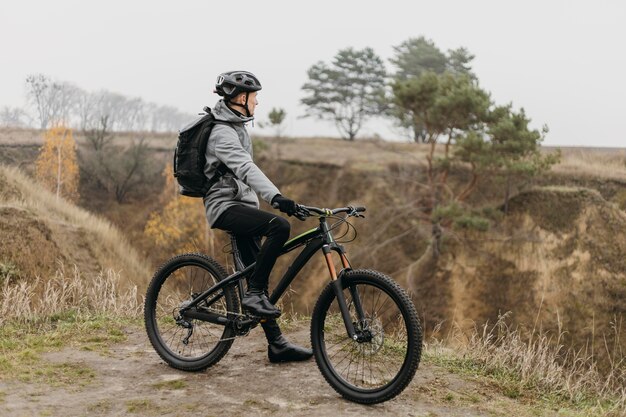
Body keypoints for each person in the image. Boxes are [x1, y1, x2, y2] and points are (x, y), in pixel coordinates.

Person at [203, 70, 313, 363]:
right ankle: (253, 294)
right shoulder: (222, 132)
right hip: (224, 207)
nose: (257, 103)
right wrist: (276, 198)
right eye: (255, 97)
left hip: (242, 206)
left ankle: (276, 344)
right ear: (241, 98)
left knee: (255, 276)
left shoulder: (237, 127)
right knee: (278, 226)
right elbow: (246, 169)